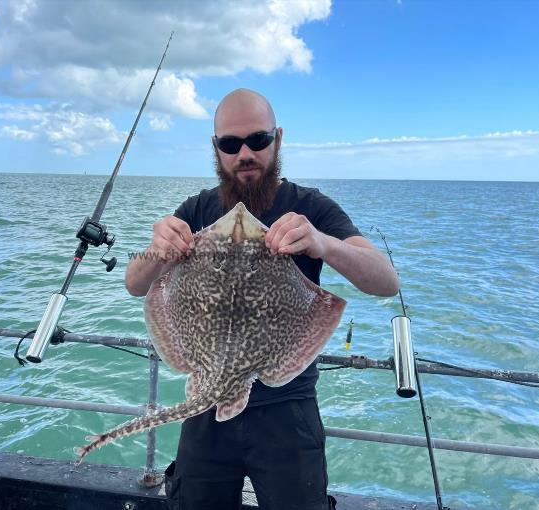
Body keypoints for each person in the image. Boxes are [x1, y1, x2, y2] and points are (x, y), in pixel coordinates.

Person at [125, 89, 399, 510]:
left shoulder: (310, 207)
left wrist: (323, 243)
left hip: (288, 407)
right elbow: (135, 283)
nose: (245, 153)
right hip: (208, 398)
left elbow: (386, 281)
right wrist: (156, 251)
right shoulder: (196, 209)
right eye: (230, 144)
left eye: (258, 139)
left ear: (279, 139)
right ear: (216, 150)